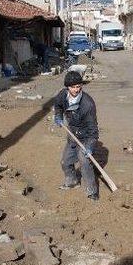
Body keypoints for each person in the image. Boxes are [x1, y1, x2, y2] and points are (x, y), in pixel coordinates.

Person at [54, 71, 99, 201]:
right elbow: (58, 106)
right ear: (67, 87)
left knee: (84, 161)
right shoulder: (63, 95)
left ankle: (92, 192)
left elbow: (93, 130)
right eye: (73, 87)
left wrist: (90, 146)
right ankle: (72, 181)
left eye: (79, 86)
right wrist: (58, 116)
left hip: (86, 136)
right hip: (72, 133)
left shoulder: (87, 104)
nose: (76, 89)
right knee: (65, 161)